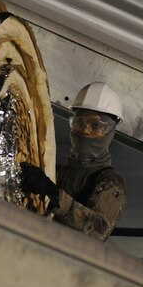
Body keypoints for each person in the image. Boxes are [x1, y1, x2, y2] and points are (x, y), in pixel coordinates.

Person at [20, 82, 126, 241]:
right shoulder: (57, 172)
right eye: (80, 123)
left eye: (96, 126)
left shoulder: (109, 182)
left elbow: (98, 229)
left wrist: (55, 195)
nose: (85, 130)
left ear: (110, 132)